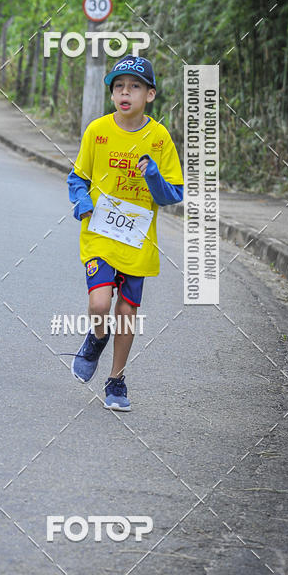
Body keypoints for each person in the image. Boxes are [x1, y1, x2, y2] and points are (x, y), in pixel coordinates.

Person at [67, 55, 183, 411]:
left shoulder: (159, 138)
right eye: (119, 86)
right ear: (112, 94)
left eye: (134, 86)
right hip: (100, 233)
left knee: (127, 315)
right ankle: (96, 338)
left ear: (149, 95)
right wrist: (82, 202)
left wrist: (152, 176)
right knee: (99, 304)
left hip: (137, 241)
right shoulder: (98, 131)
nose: (125, 92)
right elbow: (77, 178)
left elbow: (173, 194)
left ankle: (116, 380)